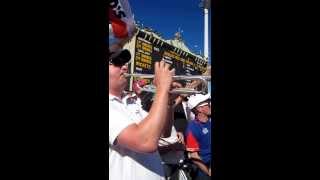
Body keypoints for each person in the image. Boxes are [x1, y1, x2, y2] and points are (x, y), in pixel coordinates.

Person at [108, 48, 176, 180]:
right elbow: (146, 142)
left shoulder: (132, 102)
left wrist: (168, 101)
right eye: (117, 62)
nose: (125, 67)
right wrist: (162, 89)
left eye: (125, 62)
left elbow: (163, 132)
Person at [184, 93, 212, 180]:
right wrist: (208, 172)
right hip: (204, 169)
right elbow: (194, 156)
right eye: (208, 103)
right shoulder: (191, 129)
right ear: (199, 109)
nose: (210, 105)